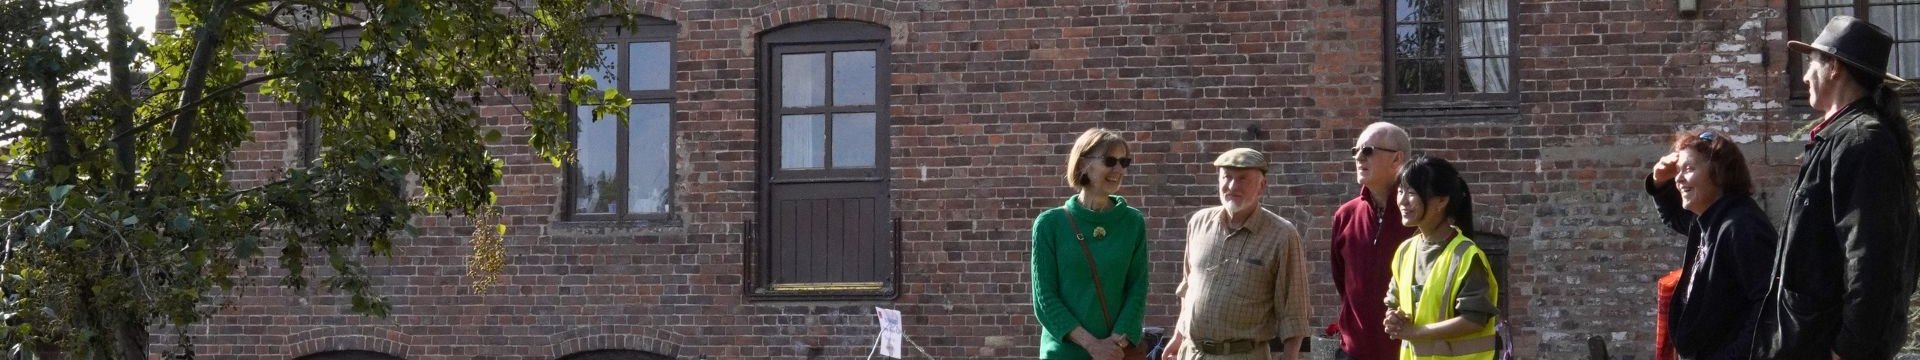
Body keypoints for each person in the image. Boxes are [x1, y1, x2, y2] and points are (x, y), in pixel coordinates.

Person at [1764, 15, 1917, 360]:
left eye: (1811, 64)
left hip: (1828, 346)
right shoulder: (1841, 138)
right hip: (1808, 340)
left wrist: (1848, 349)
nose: (1804, 76)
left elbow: (1871, 258)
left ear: (1834, 67)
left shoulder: (1862, 141)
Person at [1164, 148, 1312, 360]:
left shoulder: (1282, 235)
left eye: (1243, 179)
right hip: (1192, 353)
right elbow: (1188, 288)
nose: (1232, 186)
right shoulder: (1199, 223)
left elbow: (1294, 309)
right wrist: (1178, 338)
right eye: (1227, 177)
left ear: (1262, 186)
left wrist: (1290, 356)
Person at [1646, 129, 1777, 359]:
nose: (1678, 179)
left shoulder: (1741, 226)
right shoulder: (1708, 220)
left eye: (1689, 169)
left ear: (1719, 172)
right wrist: (1658, 180)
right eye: (1678, 171)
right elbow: (1673, 217)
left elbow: (1769, 306)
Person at [1032, 128, 1150, 360]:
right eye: (1110, 161)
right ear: (1083, 163)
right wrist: (1092, 345)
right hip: (1065, 353)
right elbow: (1044, 298)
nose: (1119, 170)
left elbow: (1137, 287)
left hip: (1117, 353)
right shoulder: (1050, 224)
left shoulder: (1132, 222)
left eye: (1124, 162)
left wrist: (1116, 340)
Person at [1382, 156, 1499, 360]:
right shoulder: (1405, 251)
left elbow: (1474, 319)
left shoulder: (1467, 256)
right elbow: (1394, 303)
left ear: (1441, 201)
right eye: (1400, 191)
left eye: (1411, 192)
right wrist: (1393, 318)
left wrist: (1416, 332)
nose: (1402, 200)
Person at [1330, 122, 1416, 360]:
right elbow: (1343, 282)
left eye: (1368, 150)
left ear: (1397, 159)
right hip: (1353, 352)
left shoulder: (1422, 217)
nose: (1358, 157)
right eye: (1355, 151)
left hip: (1408, 352)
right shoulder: (1345, 215)